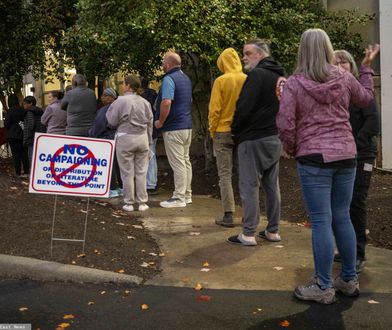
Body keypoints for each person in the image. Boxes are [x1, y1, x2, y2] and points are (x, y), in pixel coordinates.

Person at [277, 28, 379, 304]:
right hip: (347, 155)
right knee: (342, 216)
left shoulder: (296, 83)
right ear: (327, 48)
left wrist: (293, 149)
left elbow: (285, 123)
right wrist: (367, 69)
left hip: (314, 158)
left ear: (302, 50)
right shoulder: (345, 77)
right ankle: (348, 279)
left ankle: (323, 286)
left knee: (322, 220)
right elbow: (366, 99)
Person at [227, 38, 285, 246]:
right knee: (271, 185)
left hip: (253, 138)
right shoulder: (280, 76)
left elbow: (244, 107)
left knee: (249, 185)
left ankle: (248, 233)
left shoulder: (257, 75)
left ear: (261, 54)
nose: (244, 57)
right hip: (274, 137)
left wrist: (235, 131)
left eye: (248, 53)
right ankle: (273, 230)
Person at [333, 49, 380, 273]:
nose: (341, 65)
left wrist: (353, 142)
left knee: (356, 202)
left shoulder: (360, 90)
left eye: (344, 62)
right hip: (344, 155)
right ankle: (346, 249)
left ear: (351, 65)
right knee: (342, 205)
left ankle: (359, 253)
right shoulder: (334, 92)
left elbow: (373, 124)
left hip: (363, 155)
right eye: (336, 62)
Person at [208, 47, 247, 227]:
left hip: (222, 131)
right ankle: (248, 213)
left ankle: (228, 214)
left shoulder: (221, 81)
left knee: (225, 174)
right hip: (242, 132)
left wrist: (212, 130)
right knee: (245, 175)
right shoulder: (247, 79)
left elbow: (214, 109)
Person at [106, 75, 153, 212]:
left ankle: (129, 203)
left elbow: (112, 121)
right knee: (141, 172)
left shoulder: (120, 101)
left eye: (123, 84)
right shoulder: (145, 102)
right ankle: (142, 202)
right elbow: (150, 123)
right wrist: (149, 141)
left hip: (125, 138)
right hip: (142, 138)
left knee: (127, 172)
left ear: (127, 85)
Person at [154, 52, 193, 208]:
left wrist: (161, 121)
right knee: (185, 161)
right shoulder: (186, 78)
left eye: (164, 62)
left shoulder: (169, 79)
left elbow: (166, 102)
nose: (163, 64)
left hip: (173, 128)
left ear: (168, 64)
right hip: (187, 126)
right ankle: (187, 194)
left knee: (178, 163)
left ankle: (178, 197)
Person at [89, 87, 123, 198]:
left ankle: (112, 188)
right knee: (120, 165)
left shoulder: (105, 110)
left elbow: (98, 126)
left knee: (111, 165)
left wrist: (91, 133)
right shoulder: (121, 107)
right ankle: (123, 187)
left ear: (110, 98)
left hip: (107, 139)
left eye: (104, 95)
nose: (102, 97)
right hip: (121, 139)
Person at [140, 77, 159, 195]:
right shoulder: (154, 95)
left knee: (148, 157)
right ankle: (151, 182)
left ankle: (150, 184)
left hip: (146, 130)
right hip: (154, 130)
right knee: (152, 156)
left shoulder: (142, 98)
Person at [4, 94, 29, 177]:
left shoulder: (10, 111)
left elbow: (6, 124)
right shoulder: (23, 110)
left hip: (12, 135)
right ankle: (26, 172)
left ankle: (18, 173)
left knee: (16, 155)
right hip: (23, 134)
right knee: (24, 154)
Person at [22, 96, 44, 166]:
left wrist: (26, 137)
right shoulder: (39, 111)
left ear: (31, 103)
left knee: (32, 157)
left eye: (25, 104)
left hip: (31, 138)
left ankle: (32, 173)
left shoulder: (29, 112)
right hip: (39, 136)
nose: (24, 105)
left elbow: (31, 125)